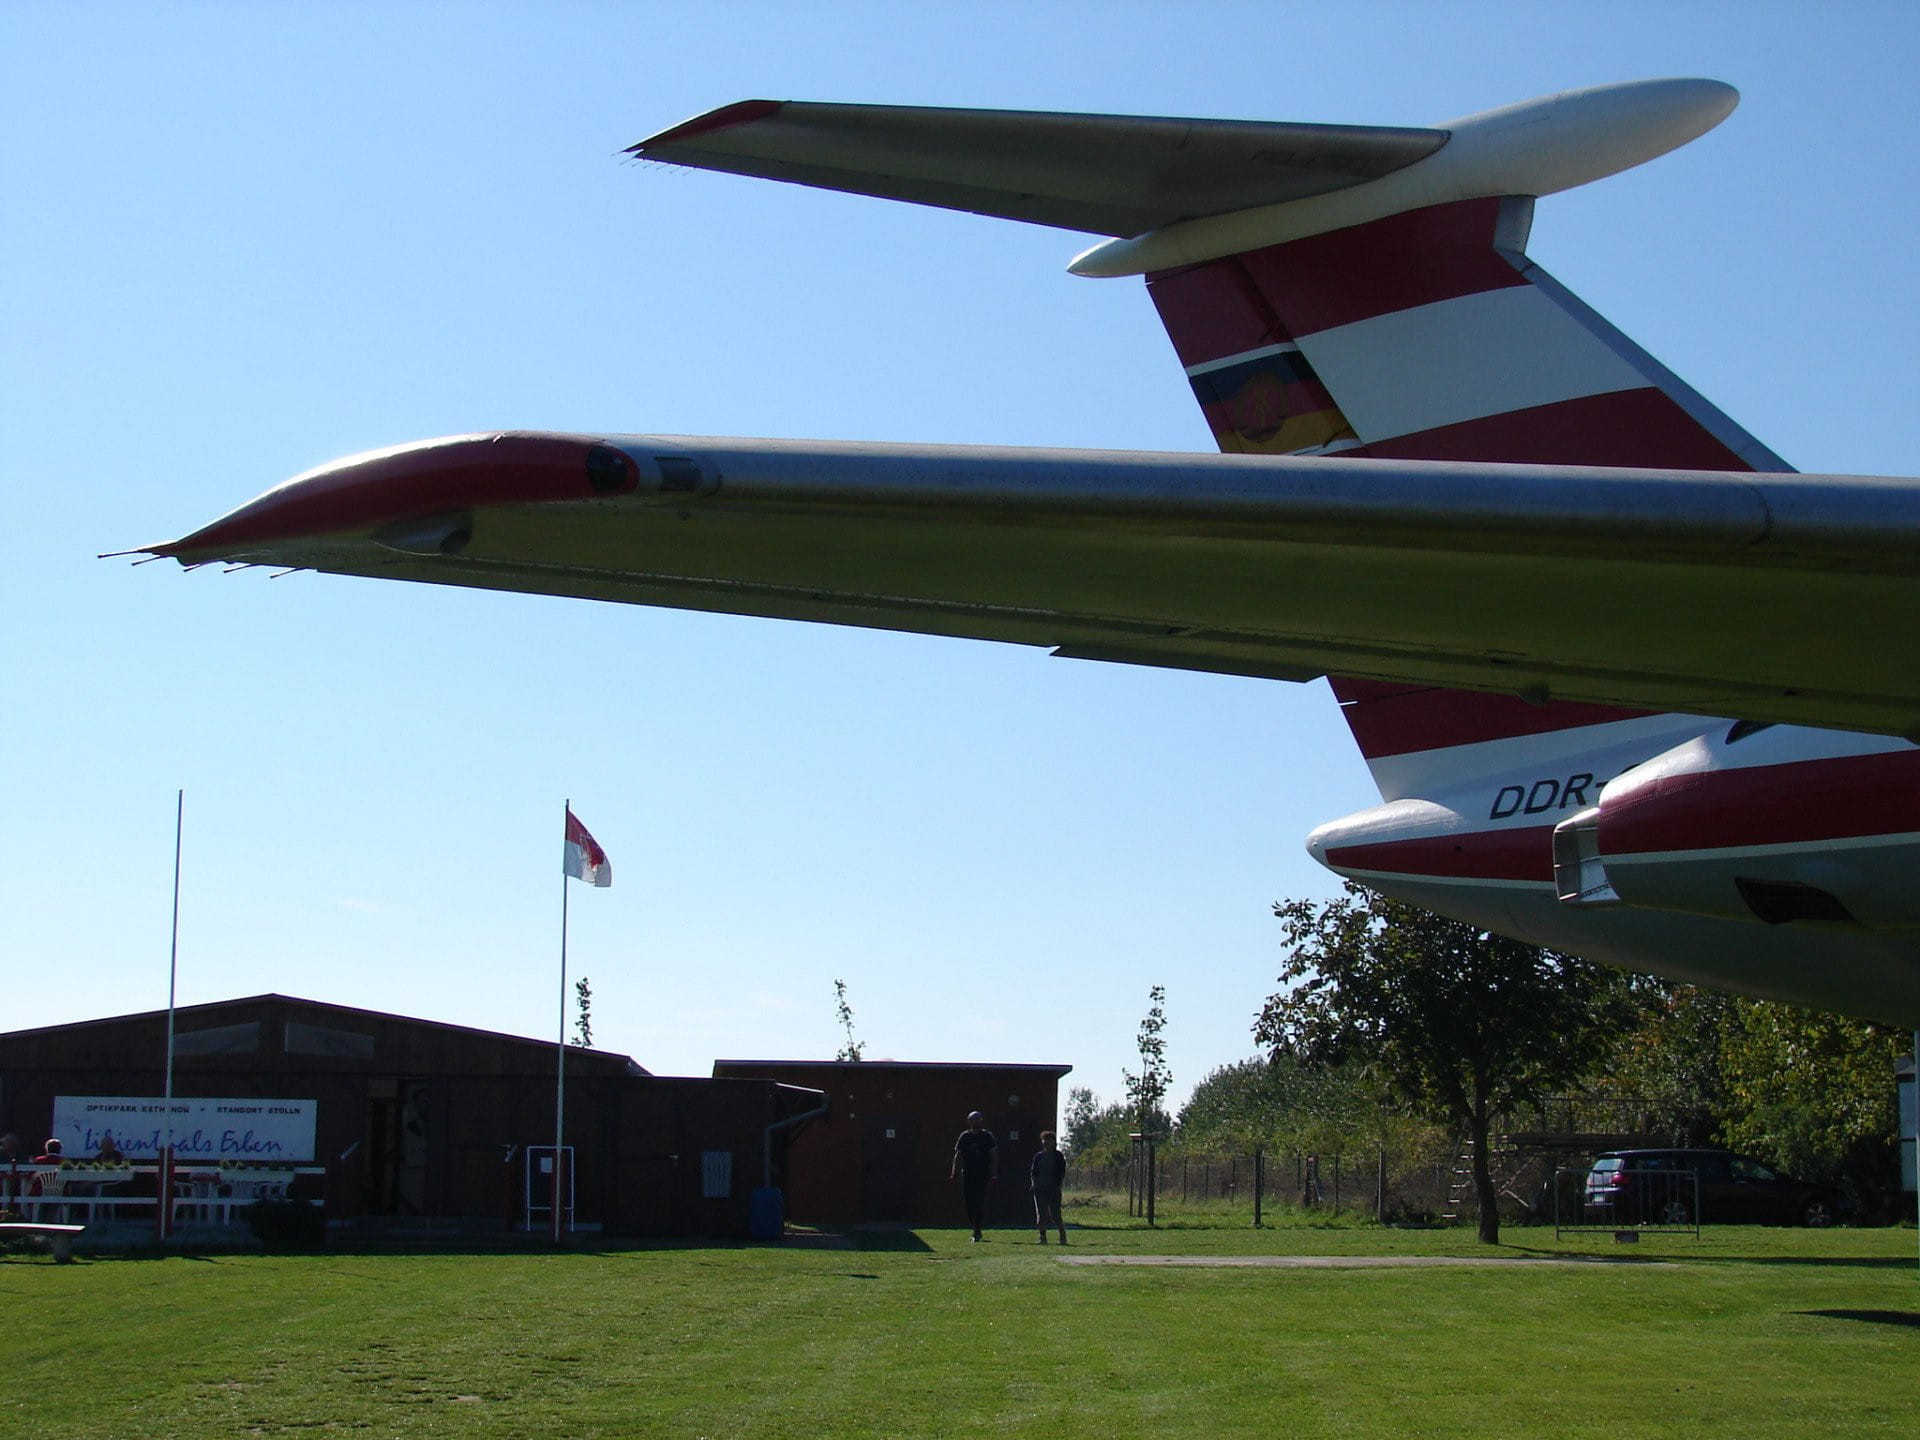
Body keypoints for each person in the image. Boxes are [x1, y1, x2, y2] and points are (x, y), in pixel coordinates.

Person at [950, 1110, 997, 1241]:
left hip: (982, 1174)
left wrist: (993, 1173)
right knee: (969, 1202)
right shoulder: (964, 1136)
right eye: (973, 1120)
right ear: (969, 1122)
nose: (975, 1122)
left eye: (977, 1120)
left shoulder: (987, 1136)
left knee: (979, 1201)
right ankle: (975, 1226)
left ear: (981, 1121)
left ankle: (977, 1230)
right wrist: (954, 1172)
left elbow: (993, 1156)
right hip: (967, 1173)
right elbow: (957, 1155)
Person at [1030, 1130, 1068, 1245]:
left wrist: (1058, 1185)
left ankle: (1062, 1234)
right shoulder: (1039, 1156)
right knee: (1041, 1213)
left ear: (1053, 1142)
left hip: (1053, 1188)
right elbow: (1033, 1172)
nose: (1046, 1142)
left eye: (1048, 1140)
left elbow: (1062, 1171)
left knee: (1055, 1213)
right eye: (1044, 1140)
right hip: (1040, 1188)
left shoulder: (1058, 1156)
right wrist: (1034, 1184)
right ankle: (1042, 1237)